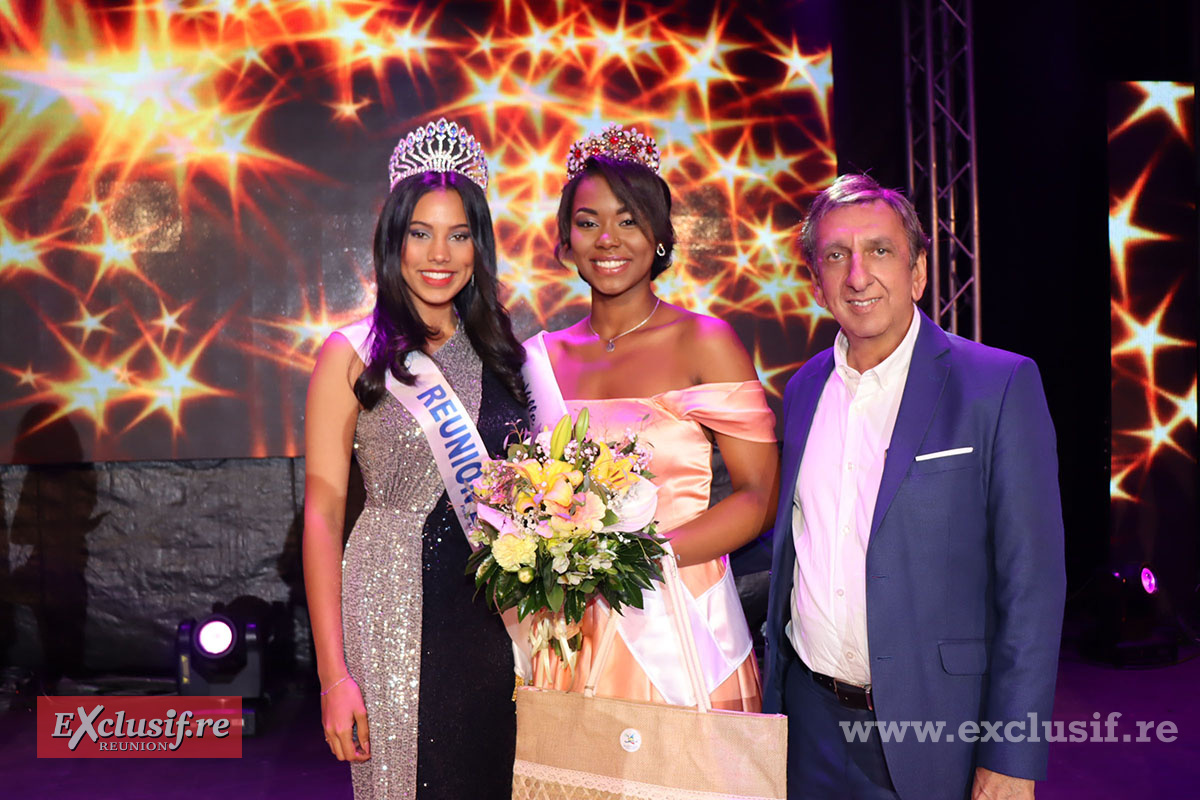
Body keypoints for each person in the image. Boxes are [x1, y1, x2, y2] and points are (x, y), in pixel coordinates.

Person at [762, 173, 1066, 799]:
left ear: (918, 271)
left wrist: (1011, 757)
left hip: (936, 732)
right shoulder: (801, 391)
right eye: (836, 256)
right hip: (809, 724)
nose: (858, 275)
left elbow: (1032, 588)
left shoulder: (997, 386)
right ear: (815, 283)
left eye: (879, 251)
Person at [303, 118, 528, 799]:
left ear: (478, 245)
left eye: (459, 234)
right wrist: (332, 675)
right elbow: (321, 514)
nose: (441, 253)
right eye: (421, 233)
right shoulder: (351, 352)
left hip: (494, 615)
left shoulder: (505, 354)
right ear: (393, 239)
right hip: (391, 597)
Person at [522, 123, 779, 711]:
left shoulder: (704, 342)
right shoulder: (540, 359)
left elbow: (758, 495)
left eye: (629, 220)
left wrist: (642, 559)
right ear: (565, 241)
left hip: (684, 620)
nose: (607, 239)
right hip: (573, 625)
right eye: (588, 223)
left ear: (660, 236)